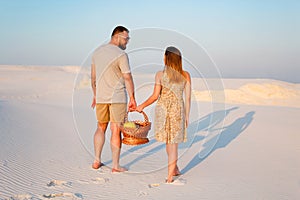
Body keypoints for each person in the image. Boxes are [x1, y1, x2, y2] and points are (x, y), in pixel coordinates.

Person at [136, 46, 191, 183]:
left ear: (166, 58)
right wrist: (187, 116)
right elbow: (188, 98)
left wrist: (141, 106)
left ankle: (170, 176)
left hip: (163, 109)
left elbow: (155, 96)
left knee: (169, 142)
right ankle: (174, 170)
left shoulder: (160, 75)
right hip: (177, 110)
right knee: (173, 143)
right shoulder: (185, 75)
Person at [91, 26, 136, 172]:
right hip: (117, 97)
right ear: (117, 36)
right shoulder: (121, 55)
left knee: (100, 127)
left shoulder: (96, 52)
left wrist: (95, 95)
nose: (127, 42)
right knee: (116, 130)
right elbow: (127, 77)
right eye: (126, 38)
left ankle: (96, 160)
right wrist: (133, 98)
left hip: (101, 97)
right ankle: (115, 166)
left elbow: (93, 79)